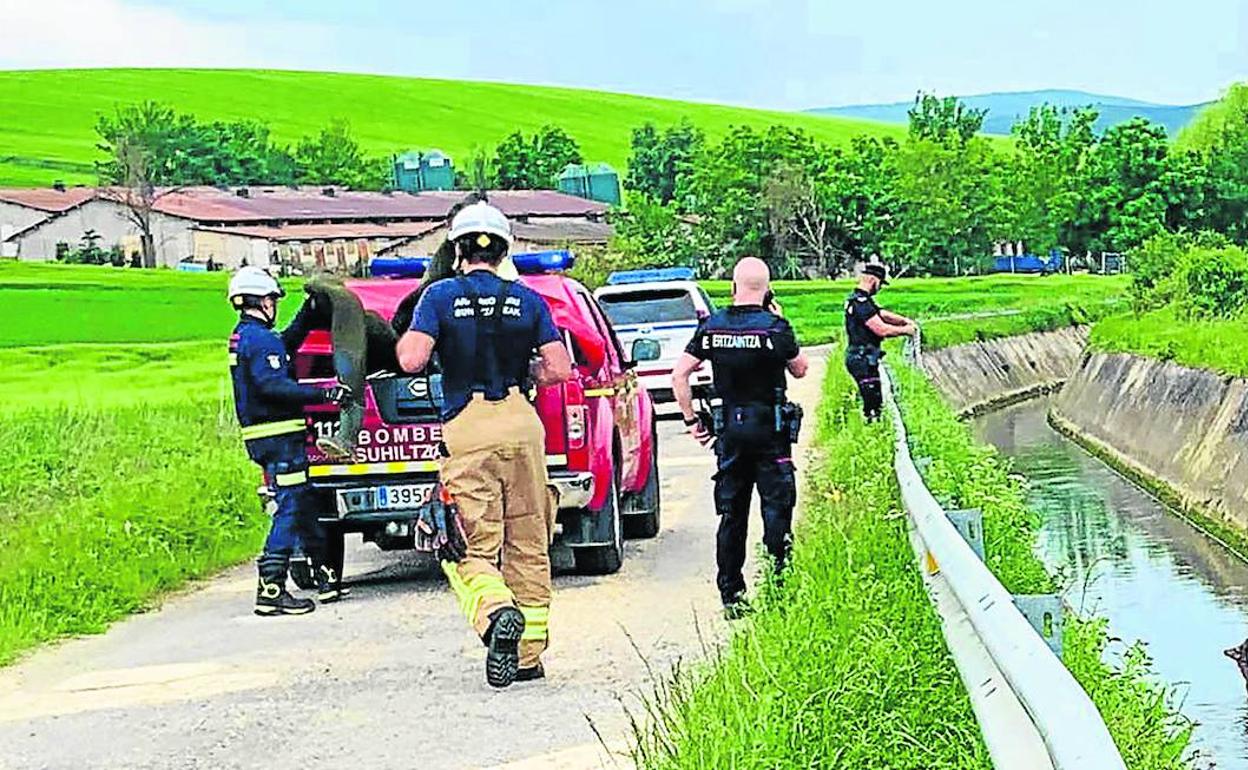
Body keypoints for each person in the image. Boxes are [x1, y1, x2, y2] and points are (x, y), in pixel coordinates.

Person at [395, 202, 572, 688]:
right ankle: (529, 656)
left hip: (468, 427)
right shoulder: (529, 300)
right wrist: (527, 372)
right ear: (503, 250)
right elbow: (559, 368)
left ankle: (495, 614)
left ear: (457, 249)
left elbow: (411, 360)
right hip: (522, 422)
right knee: (530, 540)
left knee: (466, 543)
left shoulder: (439, 296)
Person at [671, 257, 809, 619]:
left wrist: (691, 421)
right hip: (770, 434)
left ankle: (731, 595)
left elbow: (679, 376)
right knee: (776, 510)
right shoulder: (775, 328)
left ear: (733, 287)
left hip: (729, 435)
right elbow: (801, 369)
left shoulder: (712, 326)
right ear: (767, 291)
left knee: (732, 515)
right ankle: (780, 591)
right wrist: (779, 318)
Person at [227, 266, 354, 616]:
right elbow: (273, 385)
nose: (274, 305)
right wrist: (324, 392)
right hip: (279, 438)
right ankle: (271, 587)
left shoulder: (247, 336)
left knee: (305, 502)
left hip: (269, 438)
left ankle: (325, 577)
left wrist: (307, 315)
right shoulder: (259, 340)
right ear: (261, 301)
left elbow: (282, 349)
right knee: (290, 507)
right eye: (272, 299)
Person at [844, 262, 917, 422]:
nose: (880, 288)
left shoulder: (859, 299)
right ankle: (870, 433)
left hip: (863, 357)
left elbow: (881, 314)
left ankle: (872, 429)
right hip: (862, 359)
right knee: (873, 403)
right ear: (873, 280)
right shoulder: (861, 303)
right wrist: (906, 330)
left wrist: (904, 320)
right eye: (880, 284)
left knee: (874, 399)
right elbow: (881, 329)